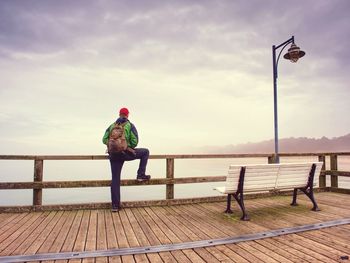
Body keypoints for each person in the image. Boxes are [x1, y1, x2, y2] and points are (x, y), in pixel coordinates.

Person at [102, 107, 150, 212]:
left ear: (119, 114)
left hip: (113, 156)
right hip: (125, 154)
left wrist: (113, 146)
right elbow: (135, 141)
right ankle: (140, 175)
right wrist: (125, 146)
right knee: (145, 152)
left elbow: (104, 139)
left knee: (115, 179)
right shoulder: (130, 125)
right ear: (127, 115)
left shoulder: (111, 126)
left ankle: (115, 206)